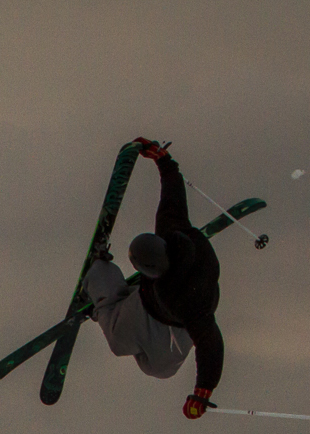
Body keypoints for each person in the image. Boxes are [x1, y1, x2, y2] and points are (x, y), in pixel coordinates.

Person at [83, 138, 223, 419]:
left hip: (175, 317)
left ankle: (109, 285)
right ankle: (101, 277)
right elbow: (172, 198)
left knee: (160, 369)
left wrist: (202, 392)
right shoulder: (176, 233)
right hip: (150, 312)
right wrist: (164, 161)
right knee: (118, 341)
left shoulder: (190, 304)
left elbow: (211, 345)